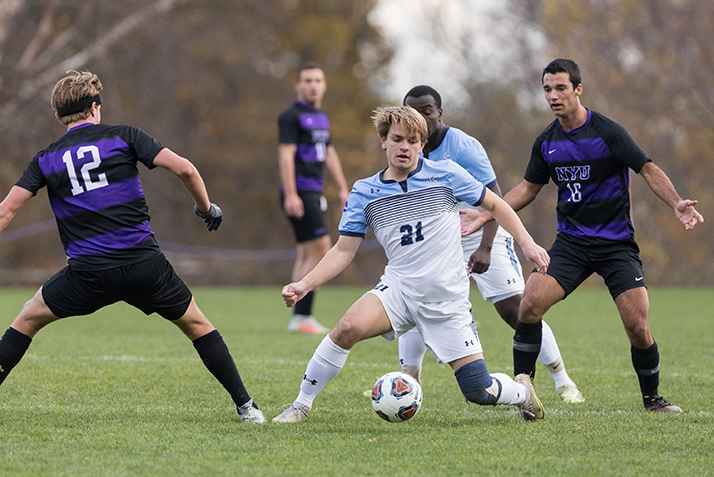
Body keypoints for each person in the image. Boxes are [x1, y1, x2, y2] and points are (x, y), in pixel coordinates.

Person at [0, 70, 266, 423]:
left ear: (58, 117)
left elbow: (6, 211)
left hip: (88, 274)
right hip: (145, 266)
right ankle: (247, 407)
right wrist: (206, 209)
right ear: (95, 108)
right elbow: (185, 169)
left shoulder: (45, 159)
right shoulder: (124, 137)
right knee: (199, 326)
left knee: (27, 320)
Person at [273, 105, 551, 423]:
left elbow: (496, 204)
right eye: (397, 139)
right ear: (384, 141)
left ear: (422, 145)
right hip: (399, 289)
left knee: (478, 391)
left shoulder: (445, 174)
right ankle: (301, 405)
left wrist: (527, 243)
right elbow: (342, 251)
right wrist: (303, 284)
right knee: (346, 328)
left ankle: (522, 393)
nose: (404, 146)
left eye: (413, 140)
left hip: (446, 299)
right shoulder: (365, 192)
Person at [461, 58, 704, 412]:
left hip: (616, 245)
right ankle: (523, 394)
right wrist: (486, 213)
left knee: (638, 325)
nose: (553, 96)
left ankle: (652, 399)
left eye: (561, 88)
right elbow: (528, 189)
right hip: (572, 244)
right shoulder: (546, 142)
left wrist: (676, 203)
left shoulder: (608, 132)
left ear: (578, 89)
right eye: (547, 89)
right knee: (529, 305)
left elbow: (647, 169)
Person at [398, 85, 584, 403]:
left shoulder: (464, 147)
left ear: (439, 113)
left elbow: (496, 200)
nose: (421, 117)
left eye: (427, 110)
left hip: (484, 231)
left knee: (517, 310)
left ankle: (563, 381)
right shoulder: (407, 148)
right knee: (415, 303)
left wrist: (485, 246)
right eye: (413, 111)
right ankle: (407, 385)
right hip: (440, 239)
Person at [278, 62, 350, 335]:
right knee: (322, 249)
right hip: (300, 191)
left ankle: (299, 317)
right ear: (298, 86)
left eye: (318, 80)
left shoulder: (322, 116)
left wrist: (343, 187)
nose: (313, 85)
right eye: (307, 80)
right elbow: (285, 154)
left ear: (324, 85)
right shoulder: (290, 116)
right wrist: (292, 193)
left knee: (307, 252)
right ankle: (302, 315)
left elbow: (329, 152)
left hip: (314, 190)